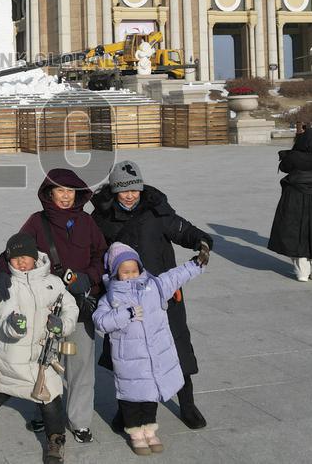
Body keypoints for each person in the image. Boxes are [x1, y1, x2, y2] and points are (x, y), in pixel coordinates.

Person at [90, 161, 213, 431]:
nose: (130, 195)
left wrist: (201, 241)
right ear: (114, 191)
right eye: (123, 190)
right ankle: (128, 411)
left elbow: (183, 230)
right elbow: (94, 253)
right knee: (126, 359)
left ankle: (187, 404)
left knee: (177, 347)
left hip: (162, 294)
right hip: (123, 299)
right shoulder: (101, 218)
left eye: (135, 189)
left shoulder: (157, 210)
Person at [0, 169, 106, 444]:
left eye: (70, 191)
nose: (65, 196)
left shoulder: (87, 222)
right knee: (44, 362)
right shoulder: (36, 222)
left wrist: (89, 277)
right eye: (60, 190)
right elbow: (14, 251)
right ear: (49, 193)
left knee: (80, 367)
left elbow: (101, 255)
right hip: (44, 308)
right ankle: (45, 411)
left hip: (79, 305)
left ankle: (79, 421)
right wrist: (1, 272)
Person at [0, 233, 78, 463]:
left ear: (35, 257)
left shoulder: (53, 282)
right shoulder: (9, 284)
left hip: (43, 354)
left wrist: (62, 325)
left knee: (51, 400)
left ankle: (56, 440)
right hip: (14, 355)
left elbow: (70, 307)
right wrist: (14, 326)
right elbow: (5, 315)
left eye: (25, 257)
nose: (20, 262)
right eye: (15, 258)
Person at [93, 242, 208, 455]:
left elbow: (175, 276)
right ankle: (136, 434)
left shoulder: (153, 285)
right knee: (130, 399)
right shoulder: (112, 297)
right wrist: (125, 314)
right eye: (125, 272)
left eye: (134, 270)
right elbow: (100, 321)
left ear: (140, 268)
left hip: (153, 356)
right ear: (116, 272)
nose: (130, 275)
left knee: (150, 397)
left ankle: (149, 430)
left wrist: (196, 264)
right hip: (129, 362)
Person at [267, 124, 312, 282]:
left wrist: (294, 148)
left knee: (295, 232)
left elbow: (284, 167)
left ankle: (302, 271)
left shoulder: (294, 157)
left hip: (295, 199)